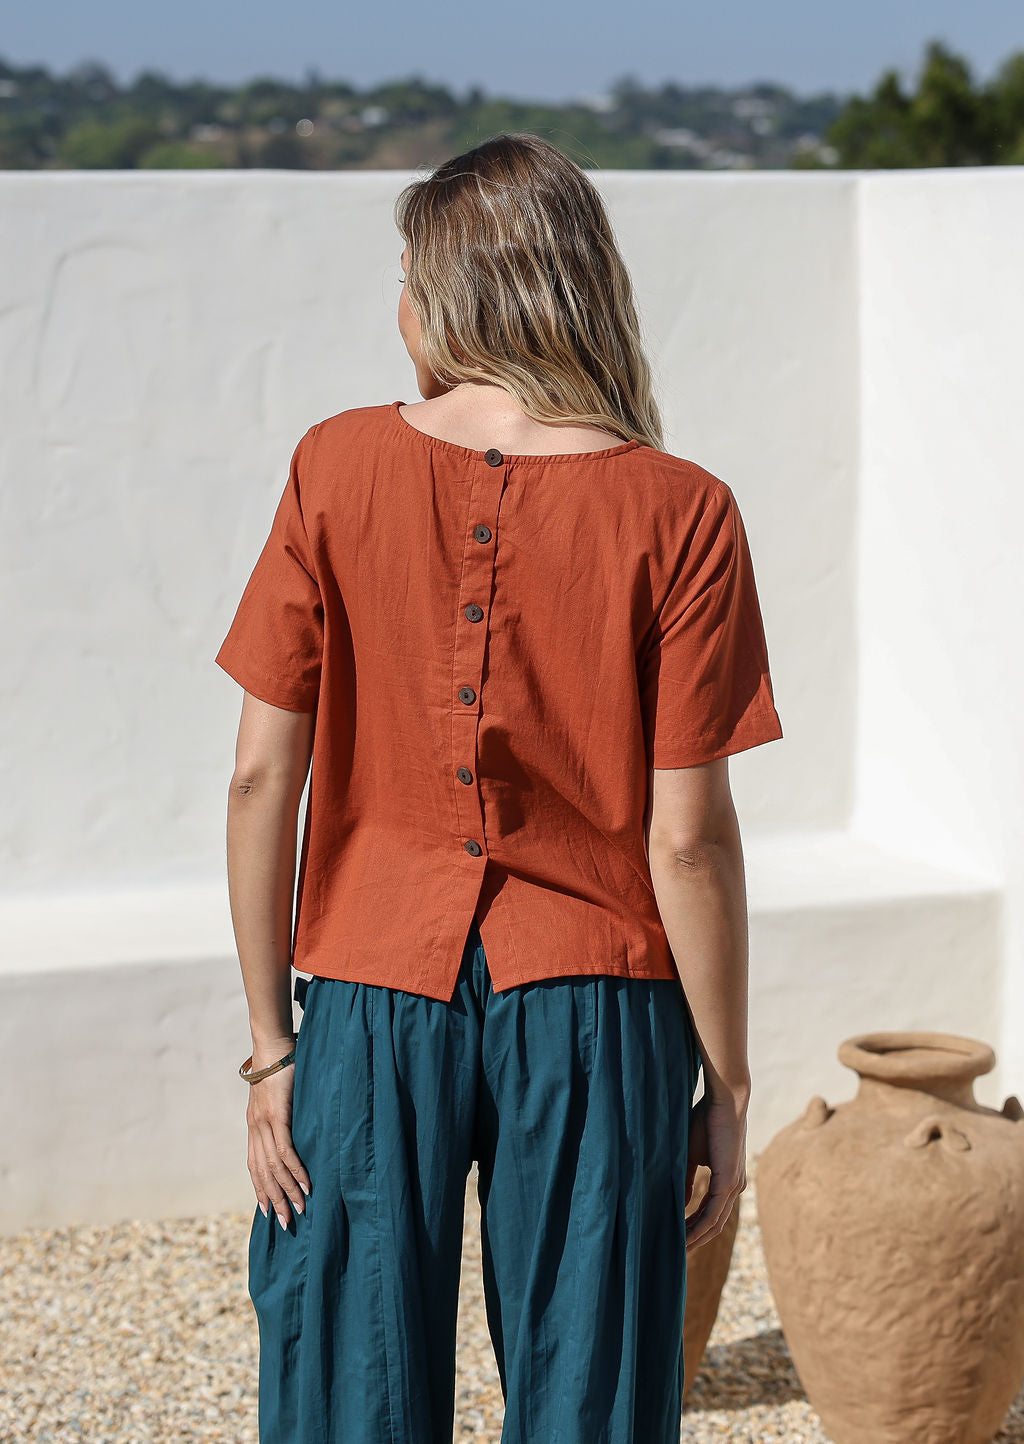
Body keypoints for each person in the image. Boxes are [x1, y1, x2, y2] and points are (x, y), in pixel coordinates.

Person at [215, 131, 783, 1444]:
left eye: (409, 280)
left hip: (371, 1000)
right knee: (592, 1389)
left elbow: (258, 779)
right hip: (595, 1007)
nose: (397, 312)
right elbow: (688, 842)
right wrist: (728, 1083)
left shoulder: (333, 465)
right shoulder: (682, 510)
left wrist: (271, 1047)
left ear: (453, 298)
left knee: (346, 1383)